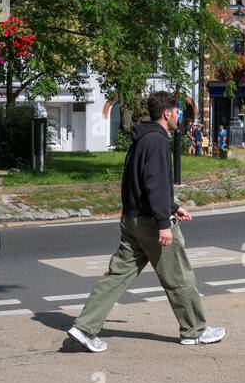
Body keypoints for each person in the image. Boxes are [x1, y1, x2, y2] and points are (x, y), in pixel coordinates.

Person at [66, 91, 225, 353]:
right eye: (177, 111)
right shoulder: (158, 141)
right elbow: (156, 185)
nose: (179, 116)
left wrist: (173, 207)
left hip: (132, 219)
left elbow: (139, 182)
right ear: (167, 113)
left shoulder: (142, 138)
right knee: (179, 276)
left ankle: (84, 327)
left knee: (117, 275)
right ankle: (194, 331)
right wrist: (164, 222)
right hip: (151, 222)